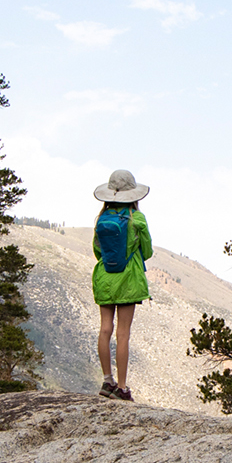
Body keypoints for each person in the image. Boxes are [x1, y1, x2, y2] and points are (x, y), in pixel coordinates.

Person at [91, 169, 152, 401]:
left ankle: (107, 381)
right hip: (128, 280)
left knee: (105, 328)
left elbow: (98, 252)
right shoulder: (137, 219)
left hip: (104, 278)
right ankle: (123, 388)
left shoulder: (101, 219)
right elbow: (147, 251)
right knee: (123, 334)